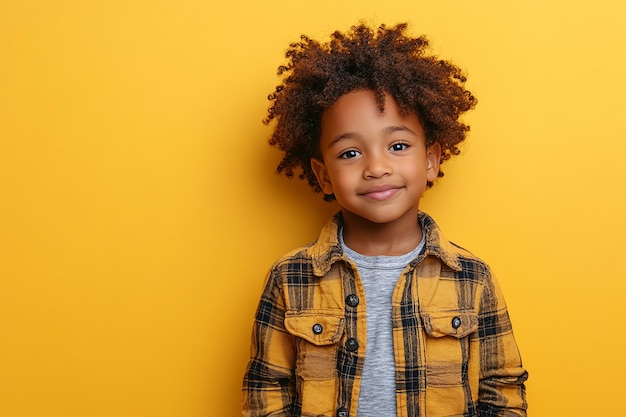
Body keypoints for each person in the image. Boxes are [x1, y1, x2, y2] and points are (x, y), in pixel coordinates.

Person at [242, 22, 528, 417]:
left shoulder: (472, 277)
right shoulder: (290, 278)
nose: (376, 167)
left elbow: (502, 391)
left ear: (430, 160)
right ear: (324, 174)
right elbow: (266, 392)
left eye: (397, 145)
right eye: (349, 154)